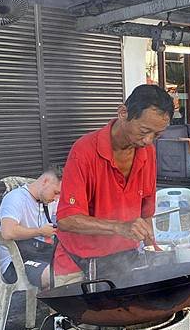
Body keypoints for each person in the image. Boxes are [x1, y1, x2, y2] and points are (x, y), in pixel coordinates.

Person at [53, 84, 174, 286]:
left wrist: (153, 251)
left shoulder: (148, 152)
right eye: (144, 131)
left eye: (157, 135)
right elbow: (66, 219)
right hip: (77, 262)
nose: (148, 141)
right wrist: (119, 227)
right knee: (78, 317)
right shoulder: (84, 151)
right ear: (123, 113)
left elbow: (145, 213)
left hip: (124, 259)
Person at [0, 166, 62, 289]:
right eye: (56, 193)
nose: (56, 198)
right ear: (45, 182)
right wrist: (40, 231)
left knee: (74, 268)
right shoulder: (15, 198)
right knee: (57, 276)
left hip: (38, 253)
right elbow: (8, 232)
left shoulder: (49, 201)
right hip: (15, 262)